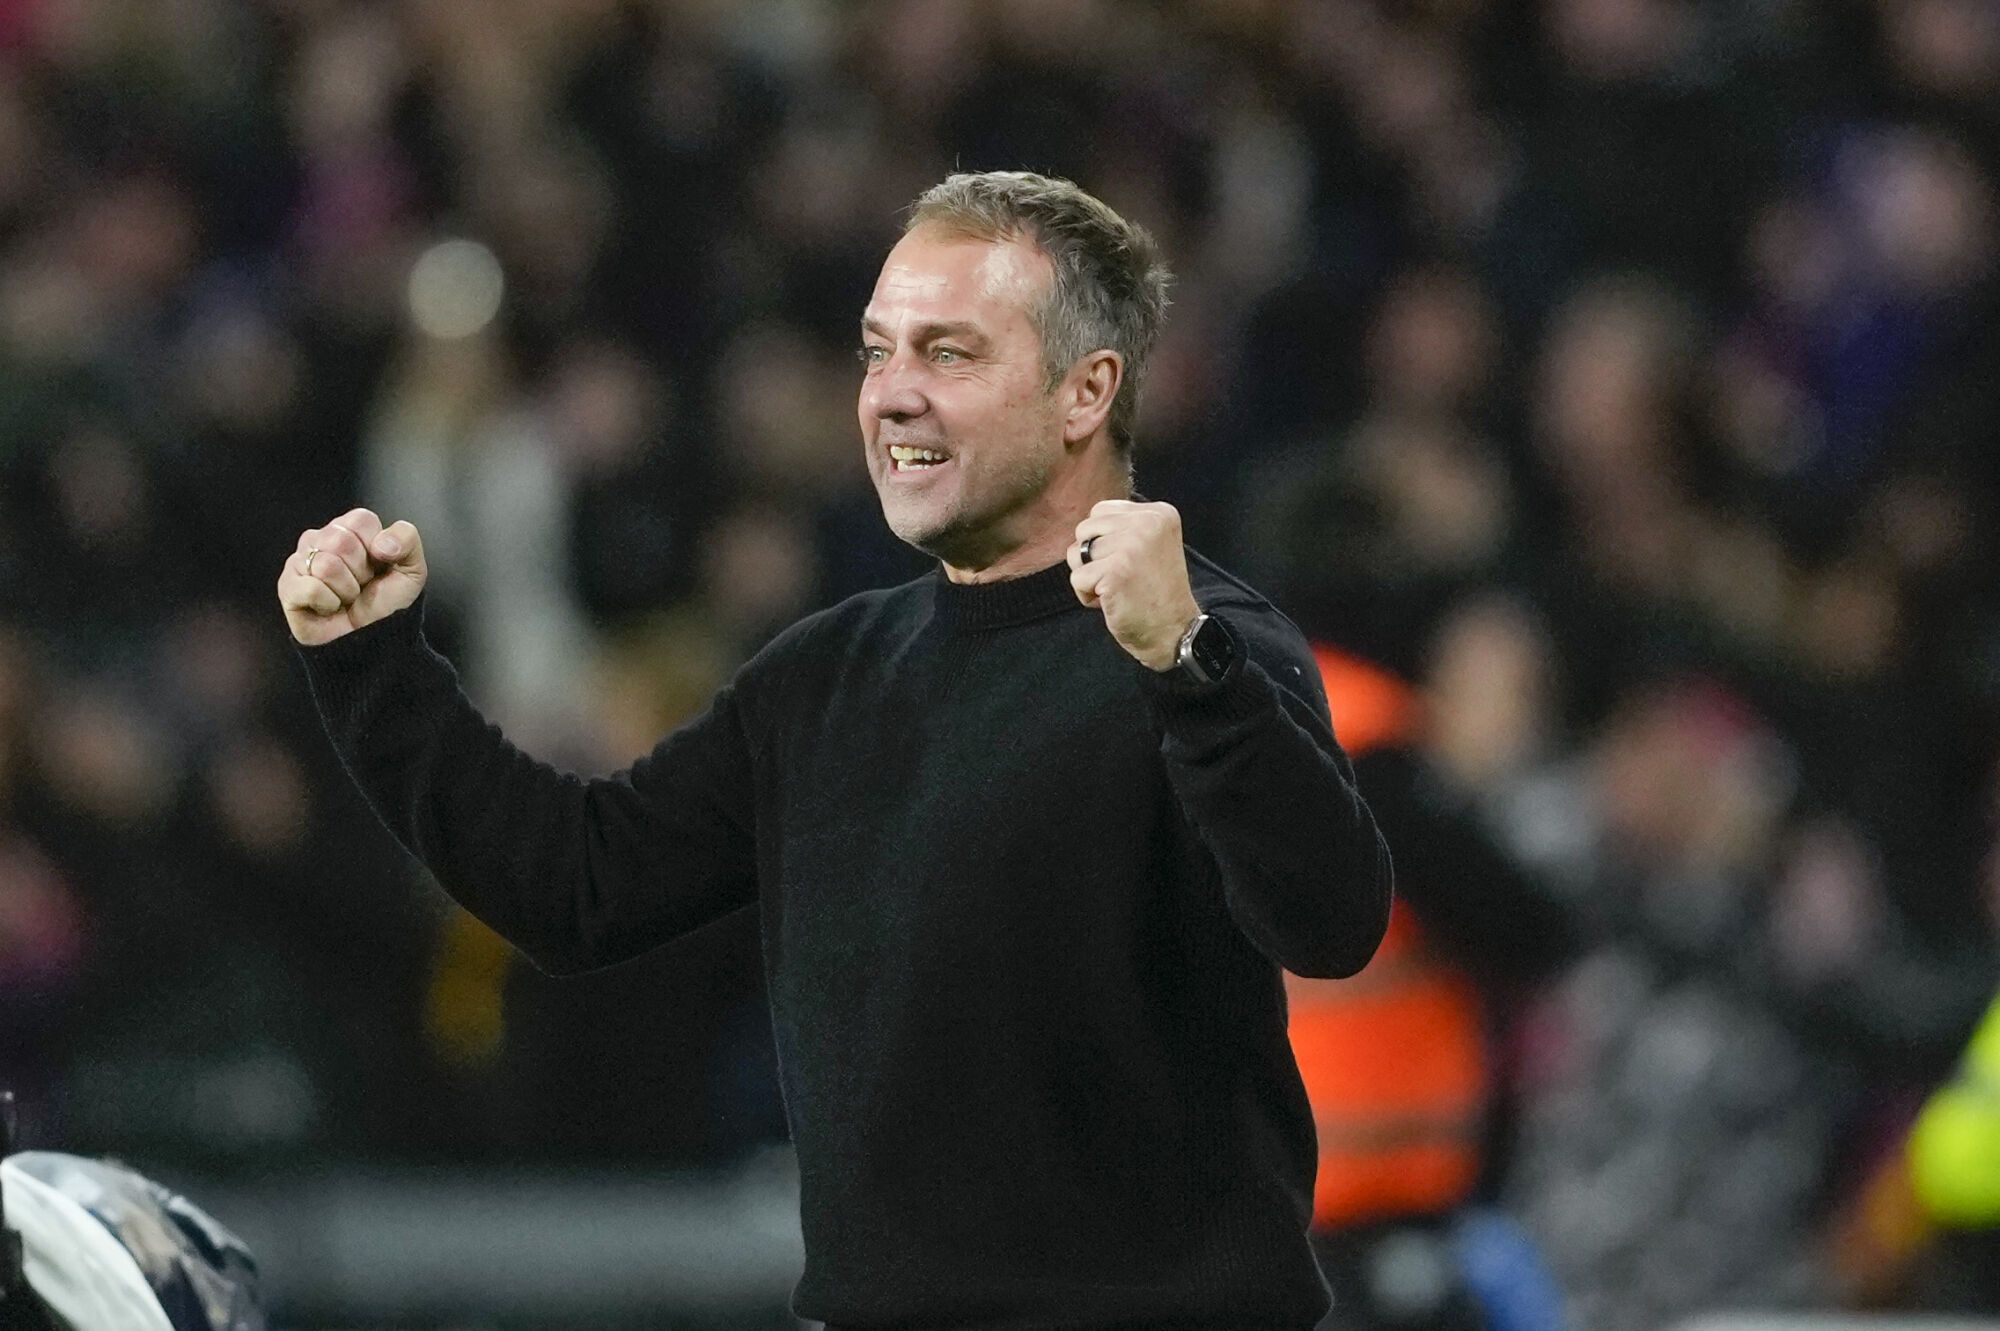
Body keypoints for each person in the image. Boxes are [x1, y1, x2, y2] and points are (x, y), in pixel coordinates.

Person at [276, 170, 1392, 1328]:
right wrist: (376, 669)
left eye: (948, 355)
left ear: (1083, 392)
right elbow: (576, 883)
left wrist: (1187, 665)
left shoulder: (1201, 645)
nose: (892, 396)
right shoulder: (823, 676)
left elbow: (1329, 918)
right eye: (875, 352)